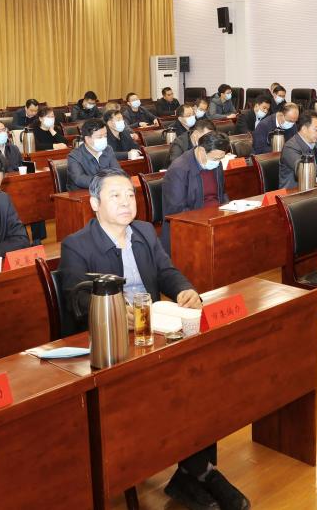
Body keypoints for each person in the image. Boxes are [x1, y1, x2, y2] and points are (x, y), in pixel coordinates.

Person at [58, 170, 249, 510]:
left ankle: (193, 473)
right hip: (112, 344)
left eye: (130, 195)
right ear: (95, 203)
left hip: (154, 332)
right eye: (115, 196)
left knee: (201, 372)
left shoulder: (145, 231)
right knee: (172, 386)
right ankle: (202, 473)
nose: (126, 202)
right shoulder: (77, 244)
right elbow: (77, 298)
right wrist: (117, 311)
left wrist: (185, 290)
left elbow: (165, 271)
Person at [161, 131, 230, 253]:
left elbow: (222, 194)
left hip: (215, 221)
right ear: (202, 151)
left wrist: (229, 209)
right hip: (190, 229)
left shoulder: (216, 164)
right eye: (215, 158)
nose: (218, 162)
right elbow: (177, 212)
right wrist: (208, 219)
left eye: (221, 159)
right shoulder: (179, 170)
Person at [66, 119, 120, 191]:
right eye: (99, 137)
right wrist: (104, 182)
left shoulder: (108, 149)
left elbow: (117, 171)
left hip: (106, 191)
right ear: (87, 139)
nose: (104, 139)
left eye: (105, 136)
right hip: (82, 194)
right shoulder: (74, 156)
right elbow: (79, 179)